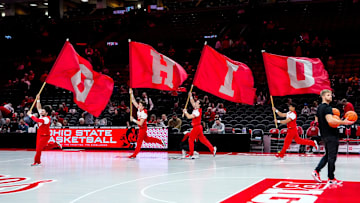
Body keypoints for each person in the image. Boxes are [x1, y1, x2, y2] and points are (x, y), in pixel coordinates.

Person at [312, 89, 355, 185]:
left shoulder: (319, 107)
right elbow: (330, 121)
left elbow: (317, 119)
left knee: (328, 155)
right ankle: (331, 178)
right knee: (332, 157)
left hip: (324, 135)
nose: (330, 96)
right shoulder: (327, 108)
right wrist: (344, 122)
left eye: (331, 95)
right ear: (323, 96)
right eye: (328, 95)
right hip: (331, 135)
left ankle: (316, 171)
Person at [128, 89, 165, 159]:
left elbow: (140, 123)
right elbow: (133, 101)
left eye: (140, 105)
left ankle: (134, 154)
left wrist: (133, 120)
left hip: (143, 128)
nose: (138, 106)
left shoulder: (144, 113)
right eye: (139, 105)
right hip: (141, 127)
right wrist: (131, 93)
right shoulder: (140, 109)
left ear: (143, 106)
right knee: (147, 140)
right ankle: (160, 141)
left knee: (139, 141)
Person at [27, 94, 62, 166]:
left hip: (45, 135)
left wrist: (30, 115)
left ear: (46, 113)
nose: (41, 112)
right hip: (40, 134)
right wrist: (38, 99)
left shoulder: (46, 119)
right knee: (43, 148)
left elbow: (37, 120)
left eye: (43, 111)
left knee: (38, 149)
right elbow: (38, 107)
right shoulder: (42, 115)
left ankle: (36, 162)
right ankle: (55, 144)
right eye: (42, 111)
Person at [183, 92, 216, 159]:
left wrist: (185, 112)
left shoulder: (197, 112)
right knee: (203, 140)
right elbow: (192, 102)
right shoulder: (196, 108)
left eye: (197, 103)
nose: (195, 103)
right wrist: (190, 96)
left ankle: (191, 154)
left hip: (197, 127)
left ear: (199, 105)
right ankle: (212, 149)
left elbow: (189, 117)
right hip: (199, 127)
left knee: (190, 139)